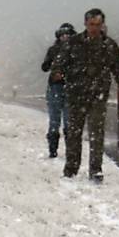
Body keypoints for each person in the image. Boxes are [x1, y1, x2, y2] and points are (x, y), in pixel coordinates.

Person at [53, 8, 119, 182]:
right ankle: (71, 167)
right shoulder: (73, 43)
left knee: (96, 134)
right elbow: (59, 63)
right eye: (91, 24)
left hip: (98, 96)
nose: (94, 28)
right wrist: (59, 73)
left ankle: (95, 170)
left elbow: (118, 71)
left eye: (98, 24)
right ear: (85, 24)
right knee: (73, 133)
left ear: (102, 25)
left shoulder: (109, 46)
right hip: (76, 95)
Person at [41, 23, 75, 158]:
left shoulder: (76, 50)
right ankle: (53, 149)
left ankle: (68, 150)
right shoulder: (54, 50)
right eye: (63, 34)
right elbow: (44, 67)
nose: (65, 37)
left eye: (67, 34)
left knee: (67, 122)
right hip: (56, 86)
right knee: (56, 121)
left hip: (69, 88)